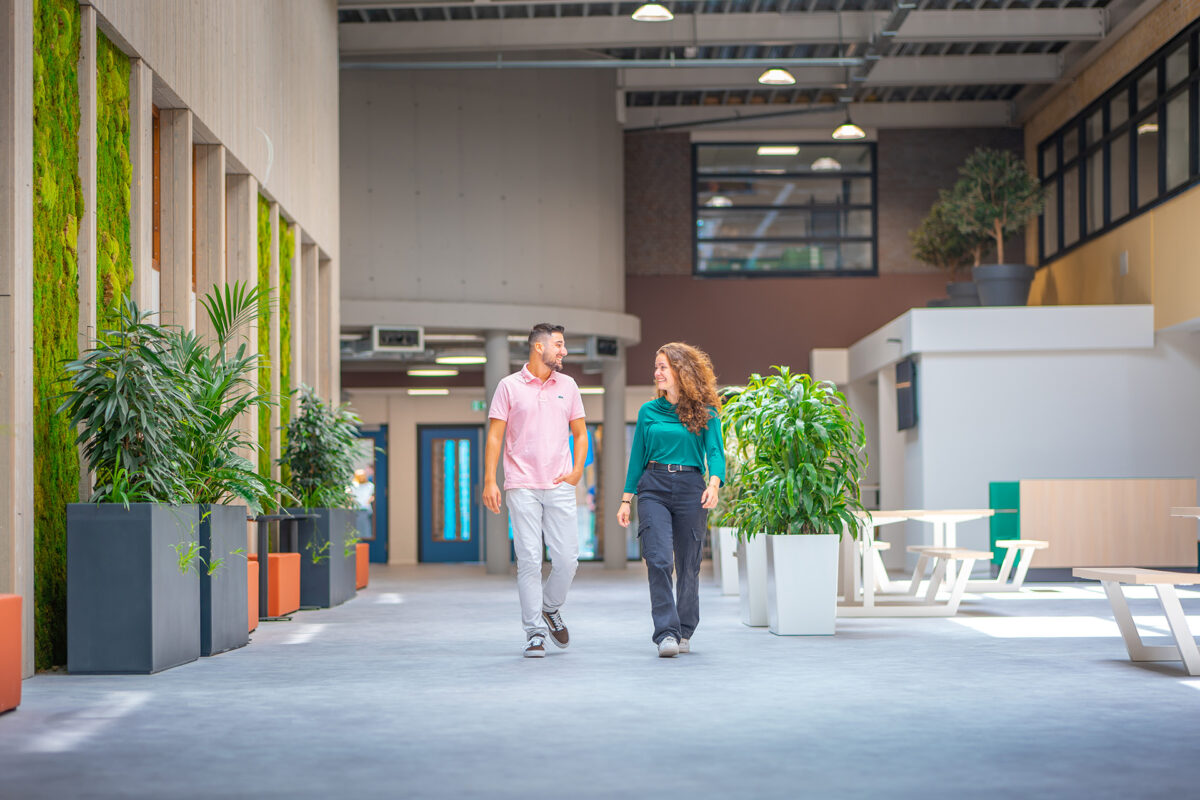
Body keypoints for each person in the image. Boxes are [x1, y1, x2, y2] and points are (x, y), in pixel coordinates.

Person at [483, 323, 588, 658]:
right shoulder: (508, 386)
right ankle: (534, 633)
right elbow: (495, 437)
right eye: (558, 345)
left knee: (567, 560)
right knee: (528, 560)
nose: (564, 351)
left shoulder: (568, 386)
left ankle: (550, 606)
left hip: (558, 484)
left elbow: (581, 433)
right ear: (538, 347)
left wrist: (576, 471)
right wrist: (489, 480)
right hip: (521, 485)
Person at [617, 342, 725, 658]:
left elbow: (715, 452)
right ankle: (666, 632)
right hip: (653, 487)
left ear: (681, 370)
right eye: (657, 366)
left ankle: (685, 628)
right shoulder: (648, 412)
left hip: (692, 486)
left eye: (663, 366)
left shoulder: (706, 411)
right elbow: (637, 457)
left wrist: (714, 484)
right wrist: (626, 499)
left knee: (689, 565)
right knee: (659, 559)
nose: (657, 372)